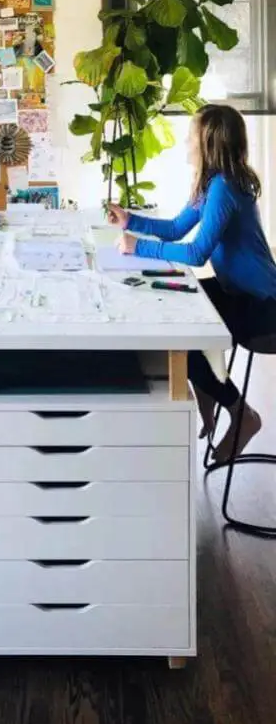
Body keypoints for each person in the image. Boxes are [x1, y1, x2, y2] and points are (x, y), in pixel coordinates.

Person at [109, 104, 276, 462]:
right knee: (175, 314)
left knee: (181, 340)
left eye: (191, 134)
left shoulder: (225, 188)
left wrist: (139, 246)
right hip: (239, 293)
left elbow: (197, 253)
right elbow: (174, 228)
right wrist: (130, 221)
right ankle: (210, 398)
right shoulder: (214, 183)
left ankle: (241, 413)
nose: (186, 140)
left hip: (264, 309)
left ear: (209, 142)